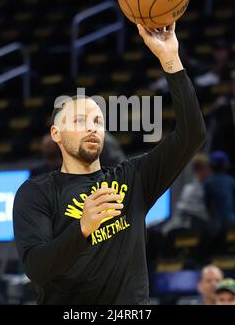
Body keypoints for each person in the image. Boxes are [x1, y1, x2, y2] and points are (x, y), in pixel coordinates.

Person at [13, 23, 206, 305]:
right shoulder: (36, 192)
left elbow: (192, 135)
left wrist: (170, 58)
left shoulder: (133, 178)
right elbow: (38, 269)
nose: (91, 128)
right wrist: (82, 229)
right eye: (79, 121)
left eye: (97, 121)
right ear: (56, 133)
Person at [161, 153, 211, 235]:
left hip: (179, 227)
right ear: (202, 169)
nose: (209, 171)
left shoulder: (188, 188)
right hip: (191, 229)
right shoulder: (202, 189)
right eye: (208, 168)